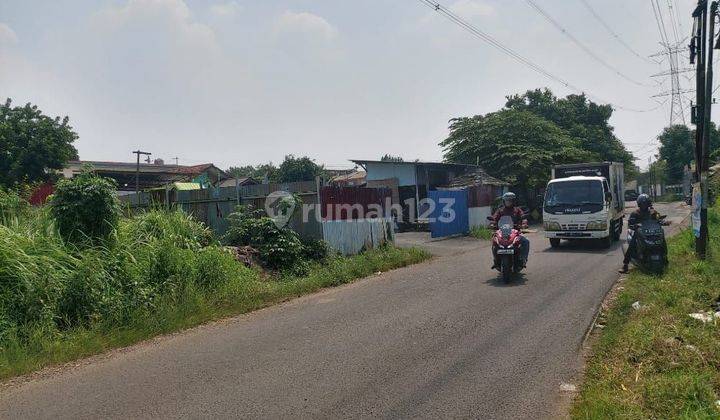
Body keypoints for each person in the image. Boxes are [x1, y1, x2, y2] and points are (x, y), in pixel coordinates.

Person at [619, 194, 662, 273]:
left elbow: (658, 218)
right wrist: (634, 225)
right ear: (639, 204)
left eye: (646, 203)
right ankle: (625, 265)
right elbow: (630, 223)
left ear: (649, 203)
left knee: (662, 239)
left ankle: (665, 258)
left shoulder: (653, 212)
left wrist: (663, 222)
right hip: (639, 233)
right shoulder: (635, 213)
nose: (644, 206)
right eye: (643, 204)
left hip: (651, 232)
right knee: (632, 244)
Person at [491, 192, 530, 267]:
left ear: (513, 201)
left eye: (510, 200)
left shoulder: (517, 210)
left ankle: (523, 259)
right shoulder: (500, 210)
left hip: (515, 232)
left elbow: (523, 217)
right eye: (506, 200)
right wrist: (492, 223)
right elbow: (494, 217)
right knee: (495, 242)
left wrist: (524, 224)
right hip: (502, 232)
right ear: (504, 201)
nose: (508, 202)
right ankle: (496, 260)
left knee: (526, 241)